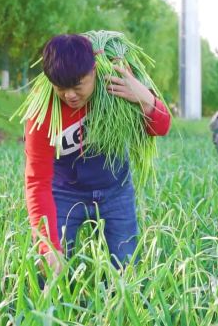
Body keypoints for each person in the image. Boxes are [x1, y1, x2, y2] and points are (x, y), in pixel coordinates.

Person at [23, 34, 171, 272]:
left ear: (94, 71)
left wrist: (145, 99)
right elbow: (37, 181)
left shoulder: (119, 87)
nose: (70, 95)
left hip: (116, 192)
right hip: (64, 194)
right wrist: (47, 246)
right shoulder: (41, 115)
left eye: (78, 86)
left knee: (126, 269)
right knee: (47, 272)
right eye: (61, 88)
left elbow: (161, 127)